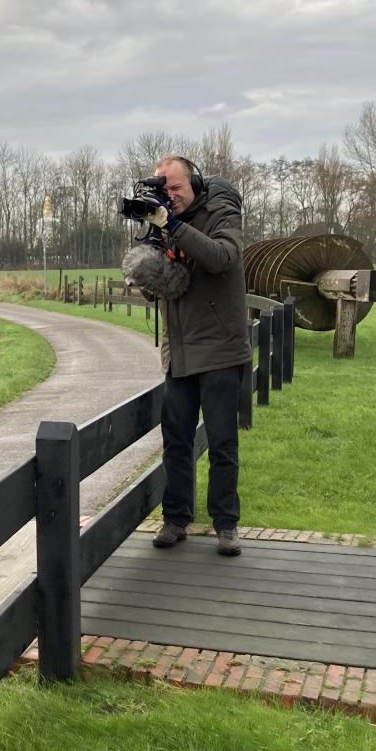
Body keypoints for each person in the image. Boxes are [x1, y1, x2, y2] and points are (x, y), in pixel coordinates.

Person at [141, 156, 252, 556]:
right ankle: (176, 519)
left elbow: (223, 257)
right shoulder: (161, 222)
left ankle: (226, 525)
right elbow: (155, 290)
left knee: (222, 443)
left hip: (220, 349)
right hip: (181, 352)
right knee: (175, 440)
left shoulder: (221, 213)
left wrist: (171, 226)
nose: (170, 197)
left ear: (196, 184)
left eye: (176, 189)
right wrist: (147, 261)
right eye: (163, 190)